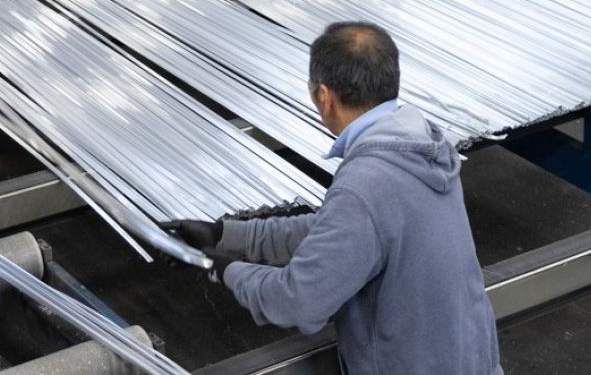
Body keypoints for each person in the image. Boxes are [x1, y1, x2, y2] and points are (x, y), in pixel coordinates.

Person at [165, 21, 502, 375]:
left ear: (324, 98)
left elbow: (298, 301)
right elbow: (337, 228)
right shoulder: (422, 146)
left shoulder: (366, 183)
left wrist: (224, 270)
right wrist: (225, 235)